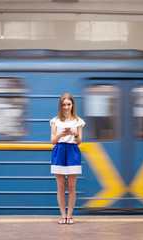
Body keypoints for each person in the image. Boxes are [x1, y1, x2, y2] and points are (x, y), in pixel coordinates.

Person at [50, 93, 85, 225]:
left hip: (73, 152)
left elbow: (79, 141)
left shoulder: (78, 121)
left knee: (71, 187)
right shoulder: (55, 121)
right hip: (58, 151)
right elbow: (53, 141)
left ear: (72, 105)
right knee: (60, 187)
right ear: (61, 105)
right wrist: (60, 134)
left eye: (68, 104)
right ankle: (63, 215)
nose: (66, 107)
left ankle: (69, 216)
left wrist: (74, 133)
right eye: (63, 105)